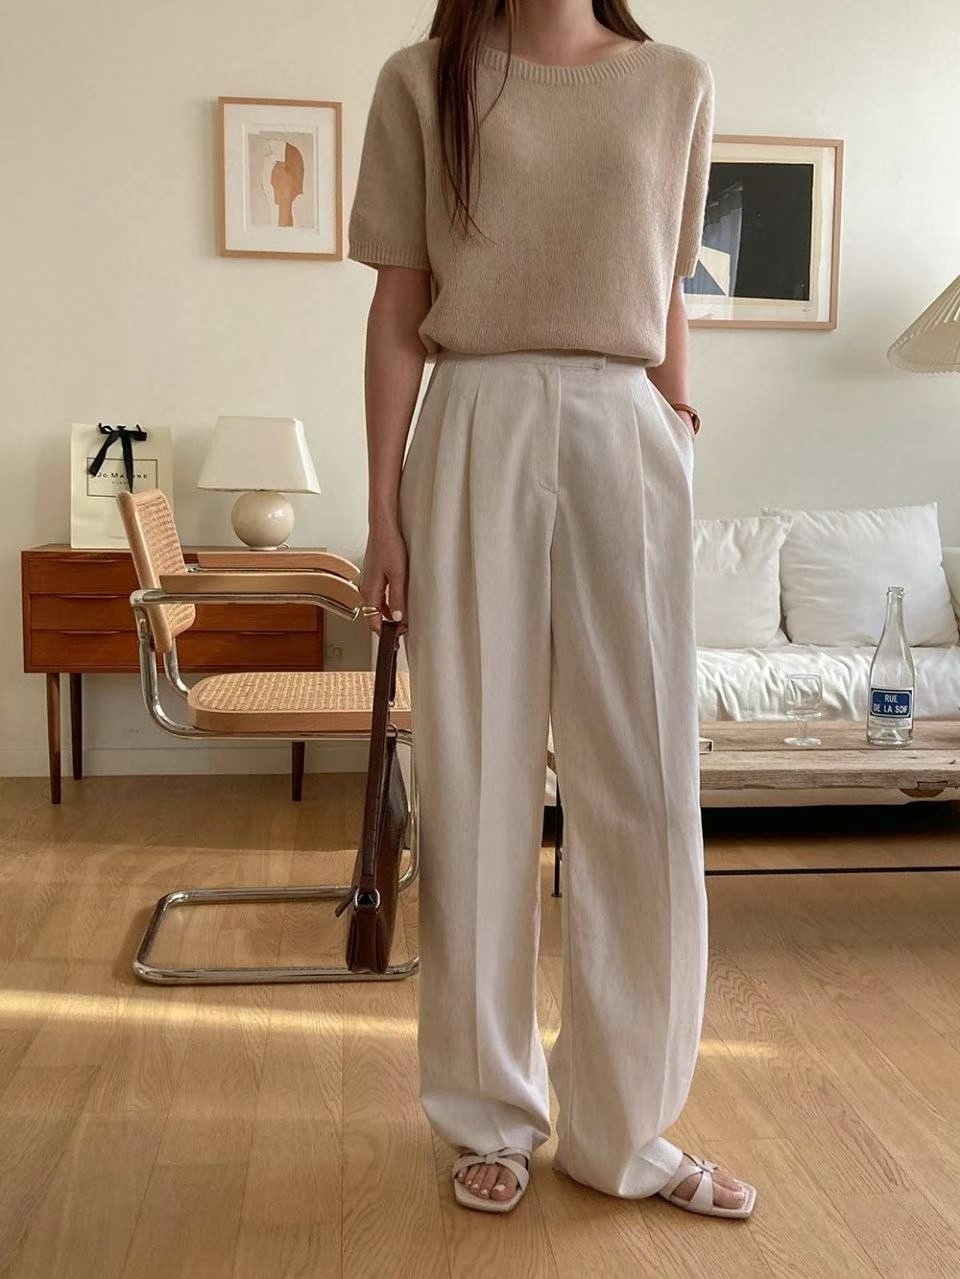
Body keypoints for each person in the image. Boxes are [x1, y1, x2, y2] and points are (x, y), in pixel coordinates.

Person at [347, 0, 757, 1220]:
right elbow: (398, 308)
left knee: (645, 784)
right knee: (475, 780)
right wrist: (381, 513)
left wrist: (676, 424)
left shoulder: (675, 82)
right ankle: (489, 1114)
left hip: (625, 429)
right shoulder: (423, 79)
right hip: (473, 421)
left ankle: (629, 1128)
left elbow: (666, 284)